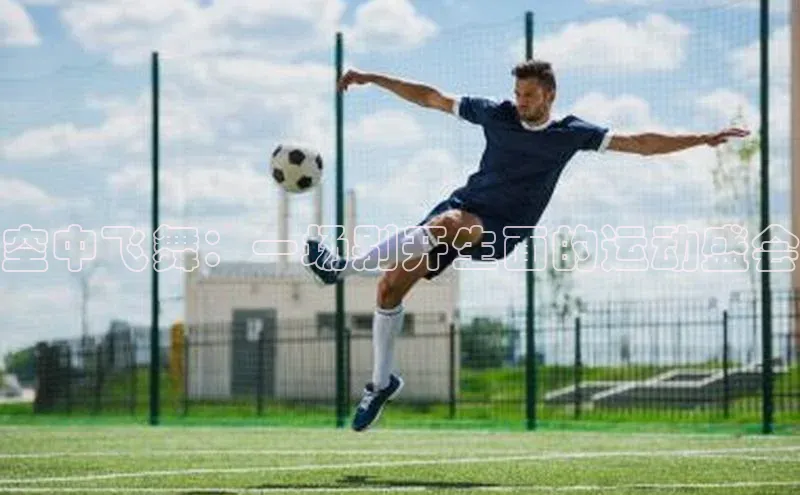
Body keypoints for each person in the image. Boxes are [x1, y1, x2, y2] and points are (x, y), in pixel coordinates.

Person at [303, 60, 749, 432]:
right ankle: (380, 384)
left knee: (445, 224)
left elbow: (641, 144)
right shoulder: (496, 115)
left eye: (530, 96)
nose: (521, 102)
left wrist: (702, 138)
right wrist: (371, 78)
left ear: (550, 96)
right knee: (389, 290)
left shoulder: (571, 134)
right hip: (461, 210)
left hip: (500, 229)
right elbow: (431, 97)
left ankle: (339, 270)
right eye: (517, 94)